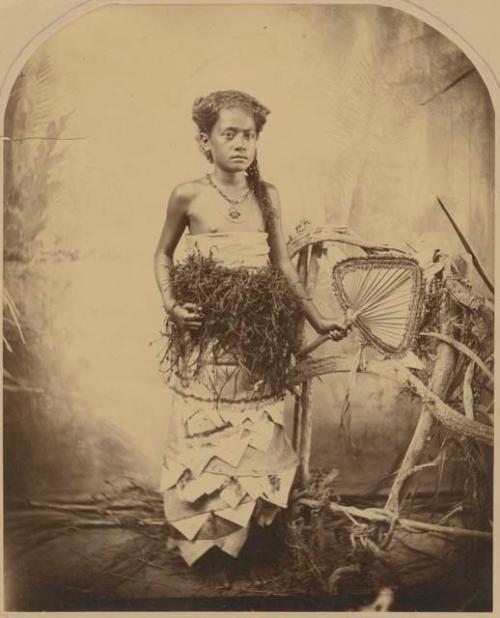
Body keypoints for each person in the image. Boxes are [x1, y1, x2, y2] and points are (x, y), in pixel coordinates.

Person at [154, 90, 347, 585]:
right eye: (230, 134)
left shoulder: (268, 195)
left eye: (250, 135)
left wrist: (318, 317)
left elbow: (281, 266)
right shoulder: (187, 195)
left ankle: (248, 543)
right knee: (206, 437)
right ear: (205, 140)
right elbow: (163, 256)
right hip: (207, 341)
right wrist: (173, 305)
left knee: (253, 438)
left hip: (257, 343)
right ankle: (207, 550)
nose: (242, 144)